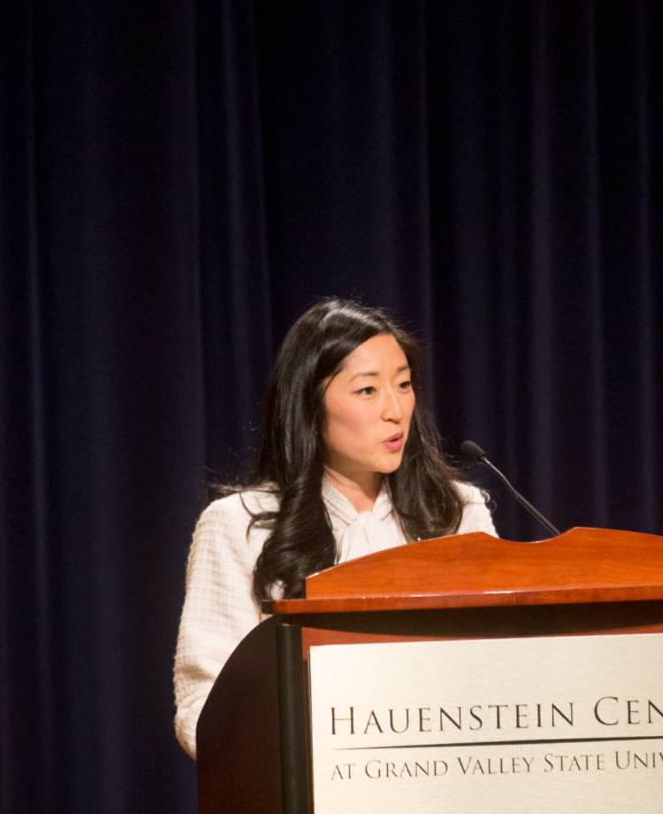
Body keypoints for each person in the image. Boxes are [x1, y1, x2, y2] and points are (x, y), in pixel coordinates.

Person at [172, 299, 495, 756]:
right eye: (367, 391)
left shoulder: (458, 513)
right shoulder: (239, 525)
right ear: (309, 404)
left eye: (403, 385)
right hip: (303, 798)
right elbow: (203, 706)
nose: (395, 410)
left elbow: (500, 668)